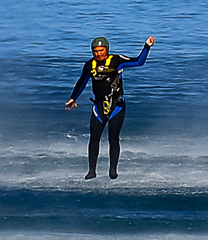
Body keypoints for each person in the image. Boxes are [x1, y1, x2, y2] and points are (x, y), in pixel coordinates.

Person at [65, 34, 155, 180]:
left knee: (113, 138)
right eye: (95, 51)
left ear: (106, 49)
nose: (98, 54)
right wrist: (73, 98)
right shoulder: (89, 65)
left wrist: (147, 47)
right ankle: (92, 171)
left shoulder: (117, 60)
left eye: (101, 50)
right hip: (99, 106)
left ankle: (113, 170)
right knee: (94, 138)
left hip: (117, 105)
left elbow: (139, 62)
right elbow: (82, 82)